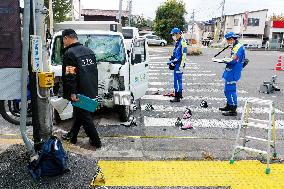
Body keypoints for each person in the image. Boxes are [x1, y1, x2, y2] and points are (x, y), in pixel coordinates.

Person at [61, 29, 101, 148]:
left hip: (78, 91)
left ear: (67, 38)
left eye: (63, 40)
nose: (64, 43)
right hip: (90, 88)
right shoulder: (89, 51)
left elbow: (70, 75)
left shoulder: (70, 53)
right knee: (78, 114)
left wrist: (72, 92)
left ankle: (96, 141)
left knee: (84, 116)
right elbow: (93, 72)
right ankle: (72, 136)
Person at [219, 32, 245, 116]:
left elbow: (234, 60)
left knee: (231, 90)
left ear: (231, 39)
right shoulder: (235, 46)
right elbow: (233, 58)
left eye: (228, 40)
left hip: (234, 71)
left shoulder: (238, 47)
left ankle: (233, 109)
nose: (227, 42)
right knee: (227, 90)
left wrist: (224, 60)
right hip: (231, 70)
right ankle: (229, 105)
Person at [168, 27, 187, 102]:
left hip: (179, 65)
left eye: (173, 34)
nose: (173, 36)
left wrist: (181, 65)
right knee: (177, 80)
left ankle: (177, 97)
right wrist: (171, 60)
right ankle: (179, 94)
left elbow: (184, 55)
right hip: (177, 64)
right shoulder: (178, 42)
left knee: (178, 81)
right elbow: (175, 53)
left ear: (178, 34)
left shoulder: (183, 42)